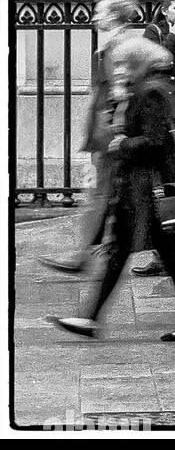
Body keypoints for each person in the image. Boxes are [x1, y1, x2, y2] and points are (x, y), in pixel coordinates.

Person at [48, 0, 175, 343]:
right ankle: (91, 318)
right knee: (128, 250)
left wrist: (123, 144)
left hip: (149, 189)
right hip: (136, 188)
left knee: (158, 252)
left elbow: (156, 142)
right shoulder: (136, 92)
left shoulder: (148, 93)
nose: (118, 69)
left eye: (124, 65)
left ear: (136, 63)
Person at [130, 0, 175, 278]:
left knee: (170, 177)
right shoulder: (154, 31)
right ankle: (168, 250)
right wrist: (171, 36)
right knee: (166, 178)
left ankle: (168, 250)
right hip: (166, 111)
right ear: (164, 11)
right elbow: (155, 63)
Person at [39, 41, 115, 276]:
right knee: (100, 198)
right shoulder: (105, 51)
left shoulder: (117, 50)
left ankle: (85, 256)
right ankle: (88, 254)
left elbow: (117, 96)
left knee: (100, 198)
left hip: (108, 141)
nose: (95, 16)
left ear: (113, 15)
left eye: (102, 9)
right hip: (100, 140)